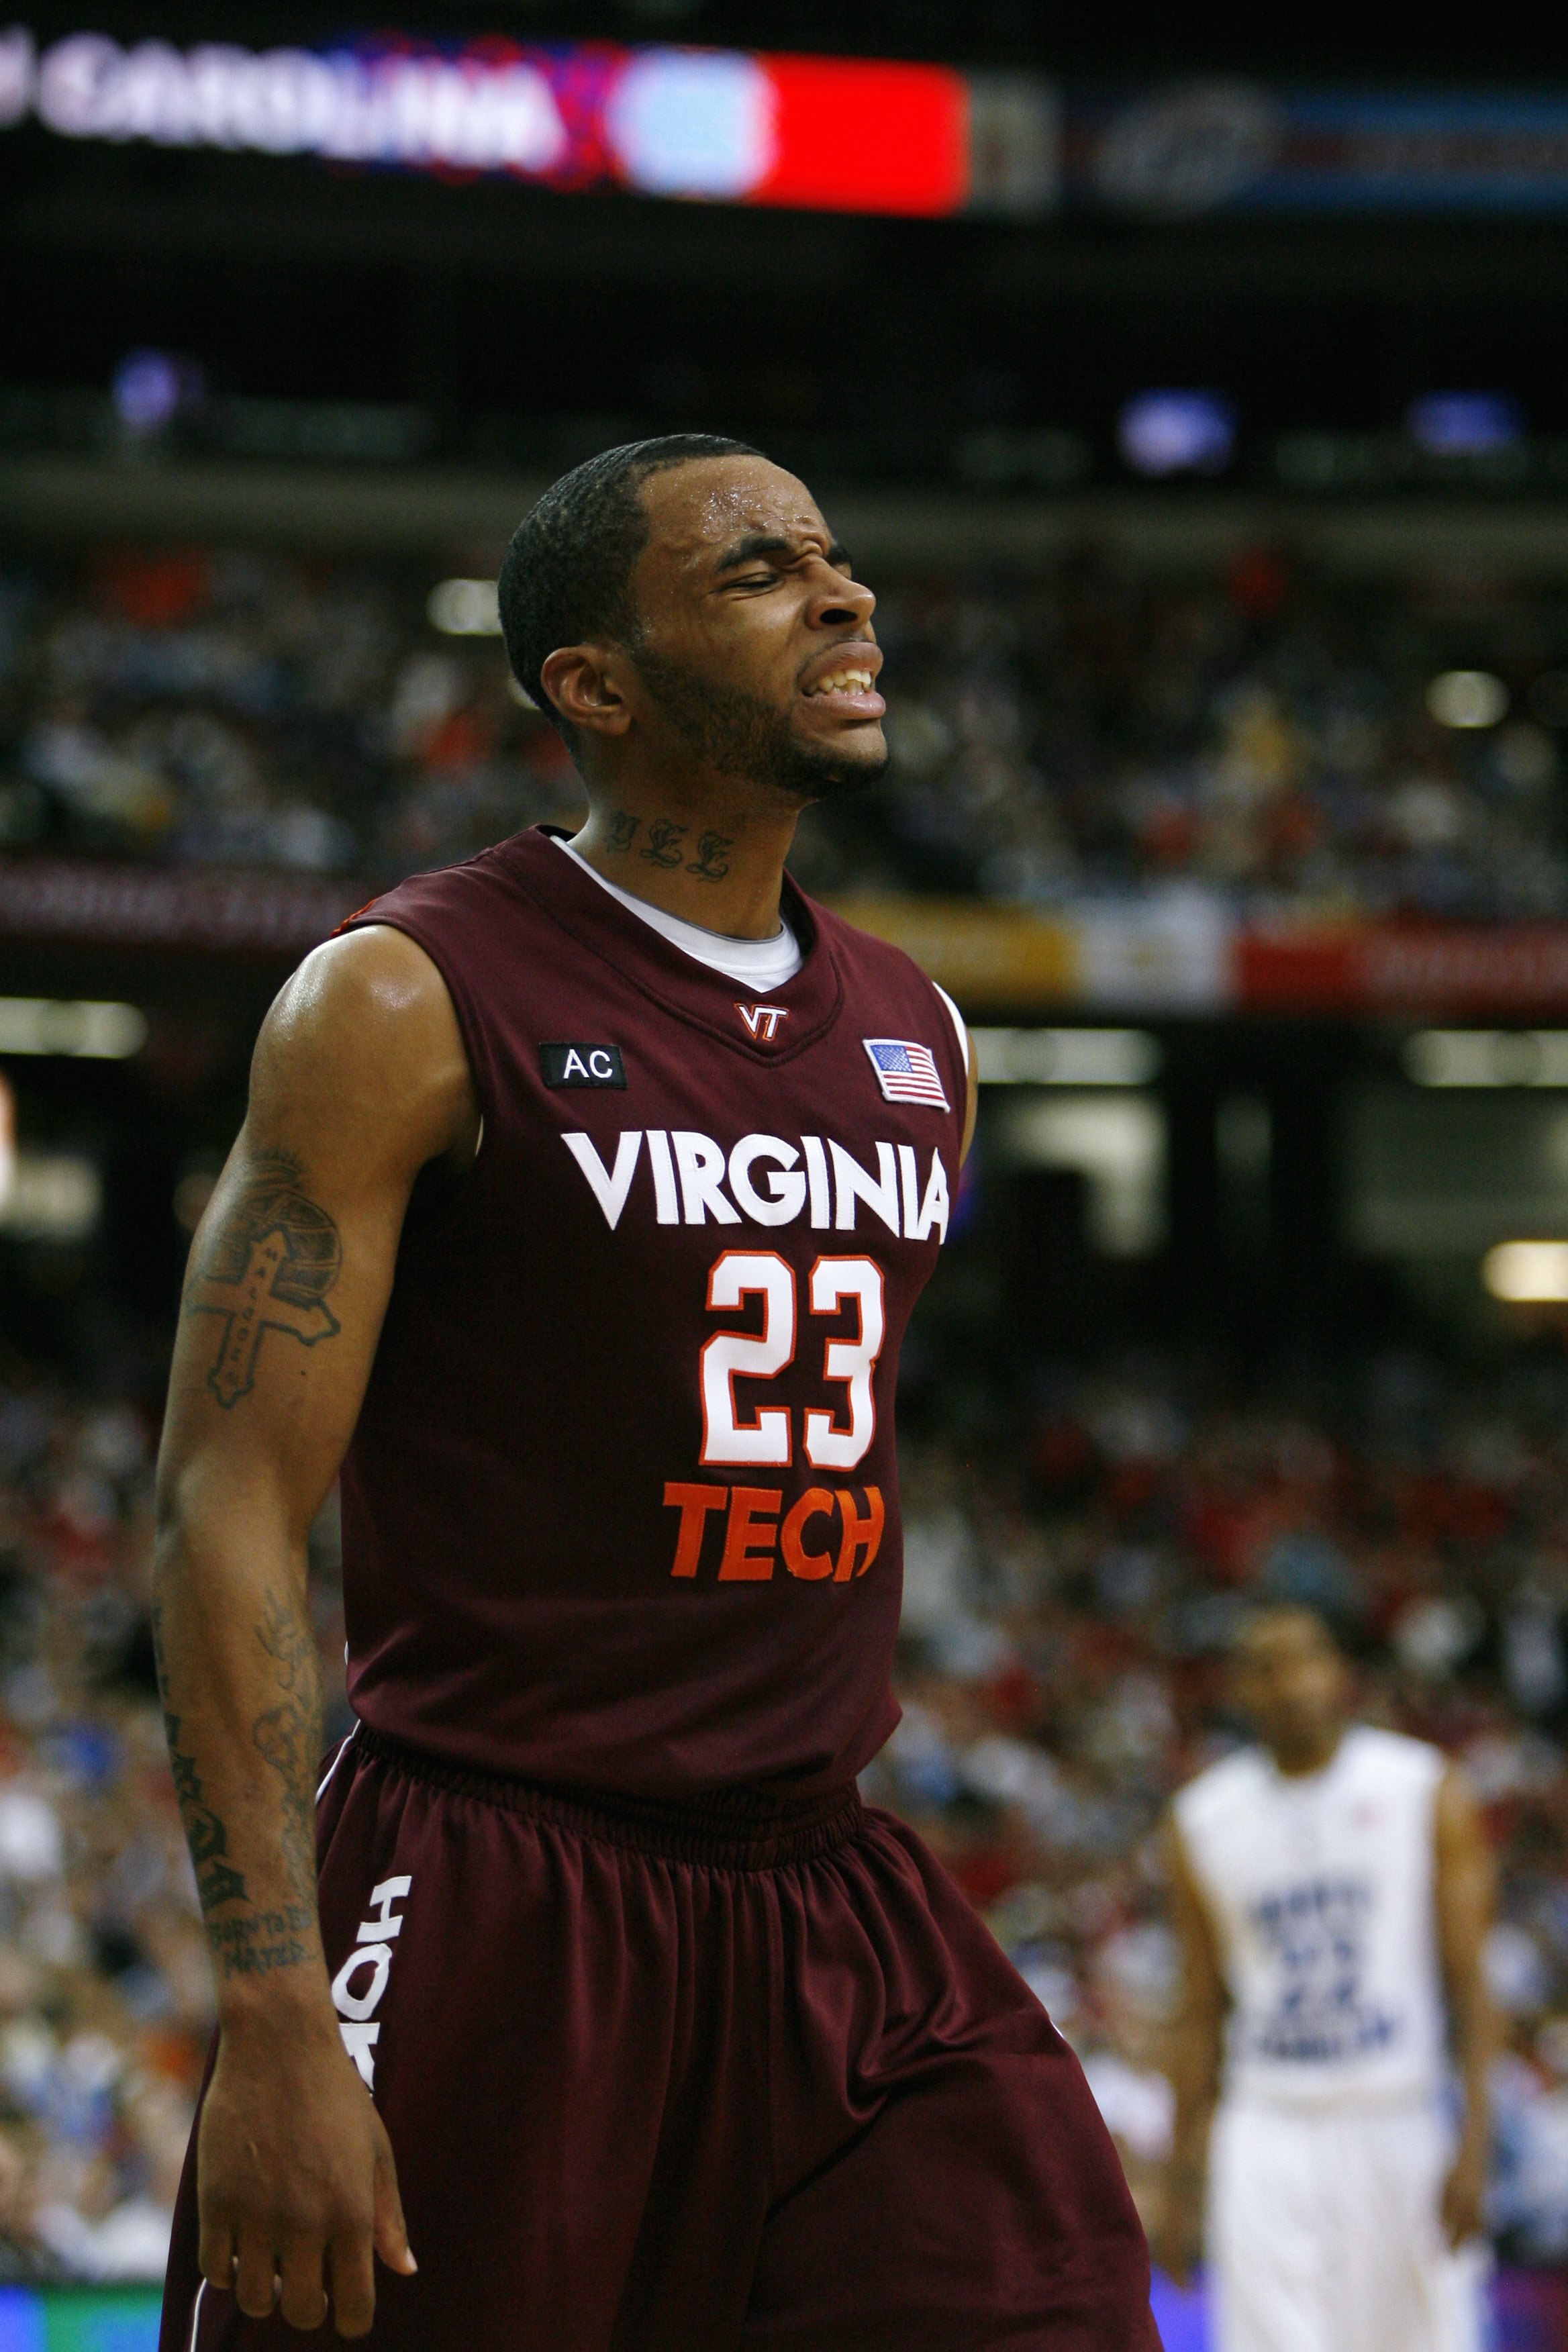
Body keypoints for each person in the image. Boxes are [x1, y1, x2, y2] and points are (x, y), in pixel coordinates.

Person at [154, 434, 1155, 2350]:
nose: (845, 595)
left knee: (1056, 2295)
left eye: (836, 557)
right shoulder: (402, 997)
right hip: (498, 1876)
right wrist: (274, 2010)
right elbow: (226, 1506)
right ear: (594, 686)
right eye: (760, 572)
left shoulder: (921, 1037)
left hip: (825, 1890)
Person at [1155, 1604, 1497, 2352]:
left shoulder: (1422, 1787)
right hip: (1267, 2125)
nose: (1290, 1683)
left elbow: (1469, 1982)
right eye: (1265, 1667)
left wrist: (1476, 2143)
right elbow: (1198, 2008)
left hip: (1398, 2111)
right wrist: (1183, 2180)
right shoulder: (1201, 1820)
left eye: (1305, 1658)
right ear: (1239, 1691)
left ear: (1339, 1672)